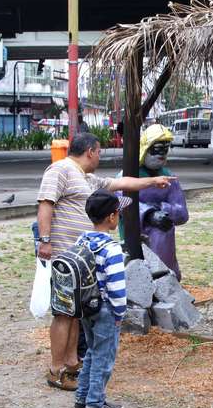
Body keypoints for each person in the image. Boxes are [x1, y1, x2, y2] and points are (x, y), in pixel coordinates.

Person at [37, 133, 174, 391]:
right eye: (100, 152)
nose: (100, 156)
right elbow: (45, 204)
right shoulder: (60, 170)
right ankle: (56, 370)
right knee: (64, 313)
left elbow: (120, 182)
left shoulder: (88, 178)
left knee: (75, 312)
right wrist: (44, 241)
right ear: (90, 151)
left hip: (83, 259)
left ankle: (72, 362)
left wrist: (153, 181)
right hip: (65, 257)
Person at [74, 189, 130, 408]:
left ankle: (82, 397)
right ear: (112, 217)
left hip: (86, 307)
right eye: (119, 212)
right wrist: (120, 314)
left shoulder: (81, 240)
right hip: (106, 309)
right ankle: (95, 403)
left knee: (91, 352)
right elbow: (117, 286)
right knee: (103, 357)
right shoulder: (112, 249)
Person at [117, 124, 188, 279]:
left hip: (163, 237)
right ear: (146, 148)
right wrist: (149, 214)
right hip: (134, 233)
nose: (162, 153)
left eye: (165, 148)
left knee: (163, 231)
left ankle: (165, 277)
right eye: (157, 148)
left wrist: (164, 209)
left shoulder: (169, 178)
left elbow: (182, 213)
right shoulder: (128, 174)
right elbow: (119, 201)